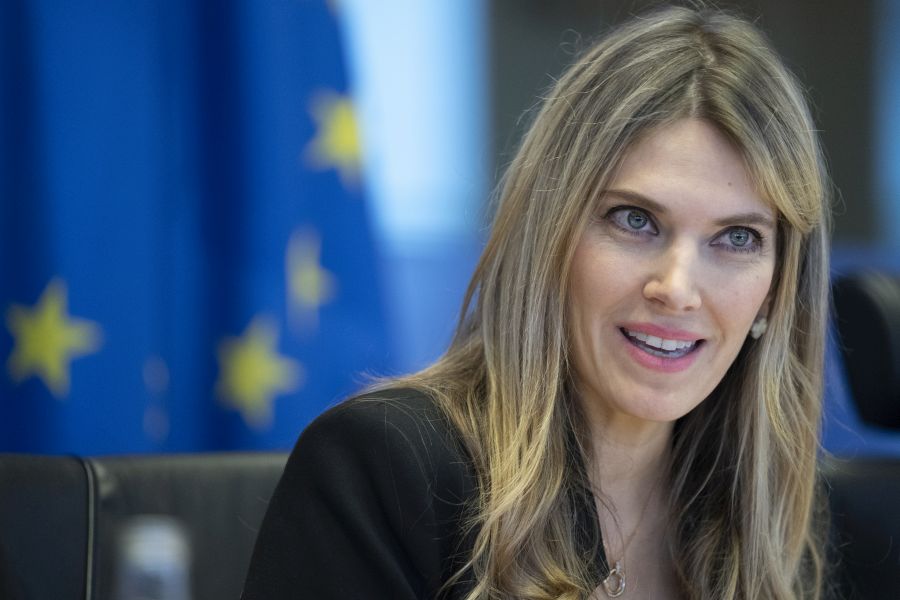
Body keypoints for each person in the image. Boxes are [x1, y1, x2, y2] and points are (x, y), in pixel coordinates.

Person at [242, 5, 832, 599]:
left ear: (776, 289)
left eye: (738, 238)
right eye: (635, 220)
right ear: (550, 236)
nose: (677, 288)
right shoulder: (386, 470)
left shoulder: (779, 527)